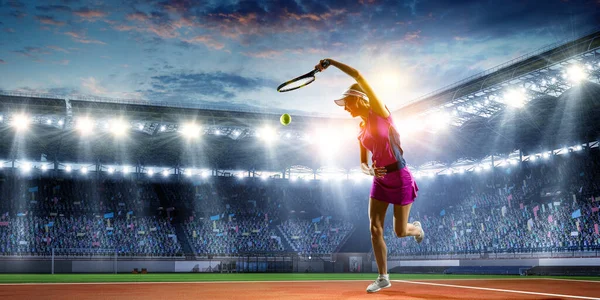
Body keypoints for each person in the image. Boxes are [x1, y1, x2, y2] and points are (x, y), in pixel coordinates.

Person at [315, 58, 425, 293]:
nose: (345, 108)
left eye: (346, 102)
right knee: (374, 228)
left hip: (400, 176)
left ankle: (416, 228)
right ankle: (383, 276)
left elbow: (357, 74)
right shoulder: (361, 131)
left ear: (358, 98)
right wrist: (370, 170)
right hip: (380, 181)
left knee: (400, 231)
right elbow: (363, 164)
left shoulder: (381, 112)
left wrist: (331, 63)